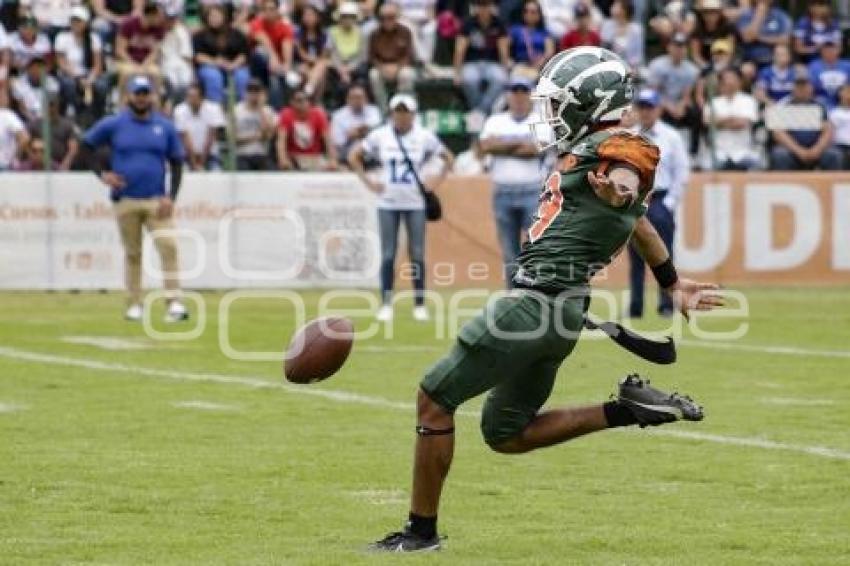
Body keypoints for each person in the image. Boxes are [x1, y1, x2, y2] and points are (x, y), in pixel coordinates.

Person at [368, 48, 722, 553]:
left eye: (559, 103)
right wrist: (671, 282)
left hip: (532, 306)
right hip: (565, 315)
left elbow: (628, 174)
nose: (551, 114)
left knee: (433, 399)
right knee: (506, 432)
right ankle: (624, 411)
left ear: (587, 102)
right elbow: (640, 223)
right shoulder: (588, 152)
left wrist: (618, 190)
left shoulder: (618, 147)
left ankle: (419, 535)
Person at [82, 76, 188, 323]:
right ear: (128, 96)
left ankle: (173, 301)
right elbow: (86, 146)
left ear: (152, 96)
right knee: (133, 253)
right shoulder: (115, 124)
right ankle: (134, 303)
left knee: (169, 247)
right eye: (137, 93)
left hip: (156, 199)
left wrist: (171, 196)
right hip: (126, 198)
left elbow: (177, 162)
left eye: (145, 93)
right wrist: (103, 174)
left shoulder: (164, 126)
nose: (141, 98)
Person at [349, 93, 454, 323]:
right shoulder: (381, 135)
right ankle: (386, 303)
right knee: (388, 254)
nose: (401, 116)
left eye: (405, 112)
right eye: (398, 111)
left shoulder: (423, 136)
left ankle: (419, 303)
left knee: (417, 254)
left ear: (413, 114)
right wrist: (368, 181)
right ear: (392, 113)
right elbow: (354, 156)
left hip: (415, 202)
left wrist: (433, 183)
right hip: (387, 202)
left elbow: (448, 157)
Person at [479, 77, 548, 287]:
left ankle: (531, 294)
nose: (519, 97)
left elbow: (535, 150)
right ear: (508, 95)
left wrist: (502, 143)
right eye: (514, 92)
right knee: (509, 252)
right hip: (502, 190)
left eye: (523, 92)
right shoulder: (495, 120)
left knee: (533, 247)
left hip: (532, 190)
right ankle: (512, 296)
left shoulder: (541, 120)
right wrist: (520, 142)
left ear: (530, 95)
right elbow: (485, 146)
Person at [627, 89, 689, 318]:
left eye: (649, 107)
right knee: (636, 257)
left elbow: (681, 171)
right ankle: (636, 306)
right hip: (635, 200)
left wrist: (671, 202)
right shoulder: (629, 136)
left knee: (664, 255)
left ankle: (665, 304)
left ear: (658, 109)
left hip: (661, 198)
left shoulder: (671, 136)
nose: (645, 111)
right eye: (641, 107)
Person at [769, 74, 841, 171]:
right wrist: (799, 151)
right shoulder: (783, 106)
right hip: (792, 150)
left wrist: (817, 149)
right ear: (793, 89)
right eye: (799, 87)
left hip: (815, 148)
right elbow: (778, 133)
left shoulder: (820, 106)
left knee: (834, 155)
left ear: (811, 88)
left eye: (805, 86)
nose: (802, 90)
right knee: (780, 154)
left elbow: (828, 131)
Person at [454, 0, 509, 118]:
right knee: (469, 79)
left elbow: (503, 49)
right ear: (476, 7)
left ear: (492, 7)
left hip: (492, 63)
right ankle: (484, 114)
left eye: (487, 5)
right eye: (480, 5)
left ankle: (479, 113)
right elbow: (460, 50)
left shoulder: (498, 23)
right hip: (472, 63)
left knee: (500, 79)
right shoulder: (468, 23)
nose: (484, 9)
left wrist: (505, 70)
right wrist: (457, 73)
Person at [646, 32, 699, 153]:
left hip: (678, 102)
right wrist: (669, 106)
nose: (679, 50)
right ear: (669, 47)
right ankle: (653, 147)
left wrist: (681, 106)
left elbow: (687, 94)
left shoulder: (691, 69)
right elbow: (654, 91)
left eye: (682, 46)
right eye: (676, 46)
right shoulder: (657, 65)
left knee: (696, 112)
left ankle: (693, 152)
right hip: (660, 101)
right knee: (654, 109)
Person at [54, 6, 109, 121]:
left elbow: (97, 64)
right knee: (69, 85)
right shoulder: (62, 37)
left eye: (79, 21)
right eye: (73, 21)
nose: (76, 24)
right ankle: (79, 114)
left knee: (101, 86)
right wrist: (78, 78)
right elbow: (61, 63)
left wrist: (90, 79)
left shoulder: (93, 38)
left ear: (85, 23)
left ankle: (98, 115)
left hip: (89, 74)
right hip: (70, 74)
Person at [193, 4, 251, 104]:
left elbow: (243, 54)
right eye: (211, 16)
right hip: (210, 66)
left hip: (234, 65)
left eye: (217, 16)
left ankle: (242, 106)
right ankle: (216, 108)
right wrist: (215, 62)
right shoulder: (199, 35)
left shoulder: (236, 33)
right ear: (207, 18)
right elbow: (198, 56)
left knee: (242, 76)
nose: (214, 19)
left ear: (224, 17)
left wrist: (234, 65)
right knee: (213, 76)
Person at [703, 68, 759, 170]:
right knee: (708, 165)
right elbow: (708, 122)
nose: (730, 82)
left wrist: (719, 122)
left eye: (733, 78)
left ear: (740, 82)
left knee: (755, 164)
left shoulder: (749, 100)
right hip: (719, 152)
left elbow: (743, 123)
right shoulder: (713, 102)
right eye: (726, 79)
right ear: (721, 83)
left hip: (743, 152)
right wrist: (733, 119)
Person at [367, 2, 416, 112]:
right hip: (381, 67)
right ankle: (384, 111)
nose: (387, 21)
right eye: (383, 18)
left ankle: (401, 108)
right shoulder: (374, 34)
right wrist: (381, 67)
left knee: (407, 75)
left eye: (391, 17)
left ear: (397, 17)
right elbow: (371, 57)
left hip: (400, 66)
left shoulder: (405, 32)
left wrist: (398, 67)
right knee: (373, 75)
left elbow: (409, 54)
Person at [276, 88, 339, 171]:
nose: (301, 103)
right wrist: (283, 160)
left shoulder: (318, 114)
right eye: (298, 100)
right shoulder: (286, 114)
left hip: (314, 157)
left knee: (339, 169)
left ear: (309, 102)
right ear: (291, 103)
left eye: (304, 100)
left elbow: (328, 140)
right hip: (294, 157)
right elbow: (281, 141)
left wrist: (333, 160)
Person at [248, 0, 294, 109]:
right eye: (266, 9)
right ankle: (276, 108)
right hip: (258, 65)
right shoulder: (257, 23)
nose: (268, 12)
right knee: (260, 51)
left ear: (278, 11)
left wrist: (287, 65)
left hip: (277, 65)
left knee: (288, 78)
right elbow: (263, 39)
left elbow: (287, 46)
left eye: (272, 9)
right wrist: (273, 58)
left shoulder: (285, 27)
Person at [114, 0, 166, 94]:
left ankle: (155, 105)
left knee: (156, 73)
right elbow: (120, 50)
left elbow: (155, 52)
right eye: (159, 16)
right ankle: (122, 105)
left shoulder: (159, 28)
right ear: (150, 15)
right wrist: (134, 65)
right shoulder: (129, 24)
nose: (161, 19)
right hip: (128, 61)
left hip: (147, 62)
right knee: (127, 73)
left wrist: (144, 66)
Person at [173, 83, 227, 171]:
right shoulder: (179, 110)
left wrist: (201, 163)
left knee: (216, 172)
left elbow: (211, 137)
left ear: (201, 98)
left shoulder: (214, 109)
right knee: (182, 173)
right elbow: (185, 138)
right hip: (187, 156)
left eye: (193, 97)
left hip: (210, 155)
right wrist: (194, 164)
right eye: (188, 96)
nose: (190, 99)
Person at [736, 0, 791, 77]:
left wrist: (759, 38)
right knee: (746, 70)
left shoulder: (781, 16)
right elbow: (747, 38)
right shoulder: (746, 15)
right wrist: (759, 16)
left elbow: (785, 40)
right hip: (752, 60)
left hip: (774, 60)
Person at [27, 91, 80, 171]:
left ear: (57, 105)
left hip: (60, 165)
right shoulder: (34, 124)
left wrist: (65, 164)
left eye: (52, 105)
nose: (50, 108)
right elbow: (26, 143)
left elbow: (73, 148)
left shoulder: (67, 125)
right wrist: (32, 158)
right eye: (47, 105)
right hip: (39, 166)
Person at [330, 83, 380, 165]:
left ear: (366, 99)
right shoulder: (338, 116)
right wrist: (349, 136)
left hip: (372, 159)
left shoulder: (374, 111)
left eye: (360, 97)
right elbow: (338, 142)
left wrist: (356, 132)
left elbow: (375, 131)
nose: (357, 101)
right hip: (346, 159)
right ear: (347, 99)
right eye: (354, 98)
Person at [234, 78, 277, 170]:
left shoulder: (267, 111)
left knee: (272, 172)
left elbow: (267, 136)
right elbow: (233, 139)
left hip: (262, 155)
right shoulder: (236, 110)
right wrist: (255, 137)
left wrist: (261, 109)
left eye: (256, 91)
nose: (253, 94)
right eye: (250, 91)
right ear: (246, 93)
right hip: (242, 155)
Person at [505, 0, 554, 81]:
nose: (529, 14)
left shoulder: (544, 32)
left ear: (539, 14)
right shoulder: (515, 29)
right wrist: (507, 61)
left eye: (533, 12)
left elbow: (549, 51)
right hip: (520, 65)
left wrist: (541, 62)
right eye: (526, 11)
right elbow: (504, 44)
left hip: (539, 67)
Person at [293, 4, 331, 100]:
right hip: (302, 63)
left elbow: (324, 54)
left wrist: (316, 64)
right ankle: (311, 89)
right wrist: (313, 63)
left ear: (317, 18)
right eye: (306, 15)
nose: (308, 18)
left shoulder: (324, 34)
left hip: (319, 63)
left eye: (311, 15)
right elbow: (301, 53)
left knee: (322, 66)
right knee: (316, 71)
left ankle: (311, 90)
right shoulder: (298, 32)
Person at [328, 2, 366, 95]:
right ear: (340, 18)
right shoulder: (332, 31)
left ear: (355, 18)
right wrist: (341, 69)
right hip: (337, 66)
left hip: (355, 66)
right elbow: (332, 53)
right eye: (344, 17)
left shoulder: (361, 32)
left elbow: (362, 55)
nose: (347, 20)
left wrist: (348, 69)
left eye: (351, 17)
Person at [160, 6, 194, 106]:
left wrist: (192, 71)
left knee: (186, 80)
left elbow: (187, 55)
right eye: (168, 18)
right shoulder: (158, 30)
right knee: (172, 81)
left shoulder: (182, 31)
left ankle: (180, 106)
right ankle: (171, 105)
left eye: (172, 18)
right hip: (165, 62)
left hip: (181, 62)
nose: (170, 21)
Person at [11, 56, 60, 123]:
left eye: (40, 69)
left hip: (47, 119)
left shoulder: (52, 83)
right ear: (28, 69)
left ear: (46, 70)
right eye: (34, 69)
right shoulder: (19, 83)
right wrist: (33, 119)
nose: (36, 72)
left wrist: (47, 118)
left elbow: (53, 105)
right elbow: (22, 108)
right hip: (28, 119)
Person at [689, 0, 735, 70]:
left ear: (719, 13)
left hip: (724, 63)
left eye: (714, 12)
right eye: (707, 12)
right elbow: (696, 54)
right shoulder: (697, 29)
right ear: (702, 14)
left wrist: (720, 66)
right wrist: (705, 67)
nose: (710, 15)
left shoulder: (727, 27)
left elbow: (730, 51)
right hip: (702, 64)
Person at [792, 0, 841, 64]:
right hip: (808, 60)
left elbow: (839, 47)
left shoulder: (834, 23)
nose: (818, 8)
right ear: (810, 7)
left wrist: (827, 51)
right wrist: (815, 49)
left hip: (831, 61)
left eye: (821, 5)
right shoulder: (802, 23)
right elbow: (798, 48)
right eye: (815, 5)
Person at [599, 0, 643, 71]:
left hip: (629, 68)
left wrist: (630, 68)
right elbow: (604, 48)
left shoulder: (636, 29)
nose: (612, 7)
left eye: (616, 6)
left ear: (624, 10)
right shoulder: (606, 25)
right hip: (608, 66)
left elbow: (637, 55)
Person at [808, 41, 850, 108]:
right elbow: (811, 84)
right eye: (826, 51)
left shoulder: (847, 65)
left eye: (832, 51)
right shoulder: (814, 66)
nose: (830, 53)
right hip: (822, 97)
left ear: (838, 51)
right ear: (821, 52)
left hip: (844, 98)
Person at [0, 87, 29, 171]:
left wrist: (15, 158)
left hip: (4, 165)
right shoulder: (7, 114)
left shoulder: (7, 115)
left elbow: (24, 137)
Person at [829, 84, 850, 168]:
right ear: (840, 94)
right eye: (847, 91)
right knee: (837, 154)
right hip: (840, 145)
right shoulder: (833, 113)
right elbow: (830, 132)